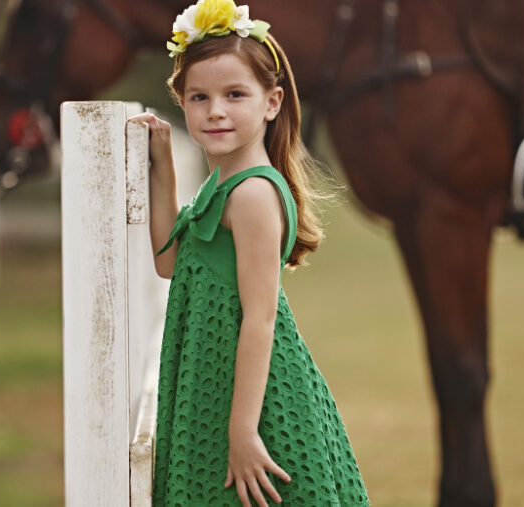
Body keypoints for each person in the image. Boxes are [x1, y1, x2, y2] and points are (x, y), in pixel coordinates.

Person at [128, 1, 369, 505]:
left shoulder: (253, 194)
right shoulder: (221, 184)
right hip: (212, 381)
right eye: (199, 97)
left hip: (257, 403)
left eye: (234, 94)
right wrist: (165, 169)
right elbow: (169, 262)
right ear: (182, 102)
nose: (215, 110)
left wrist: (243, 431)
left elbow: (259, 320)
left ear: (272, 102)